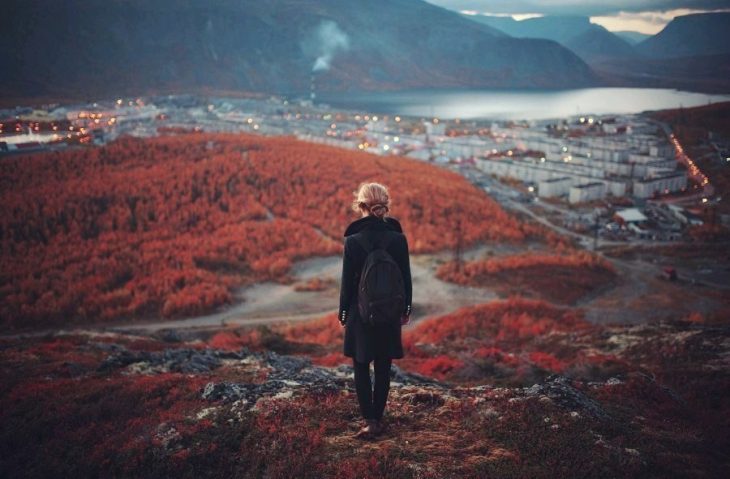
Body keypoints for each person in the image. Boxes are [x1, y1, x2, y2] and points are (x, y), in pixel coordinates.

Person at [338, 182, 412, 439]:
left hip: (360, 314)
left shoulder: (353, 241)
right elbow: (406, 278)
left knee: (360, 366)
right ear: (385, 204)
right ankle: (378, 420)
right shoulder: (398, 238)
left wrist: (343, 314)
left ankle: (368, 420)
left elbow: (347, 283)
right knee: (383, 367)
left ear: (361, 206)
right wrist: (406, 309)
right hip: (390, 312)